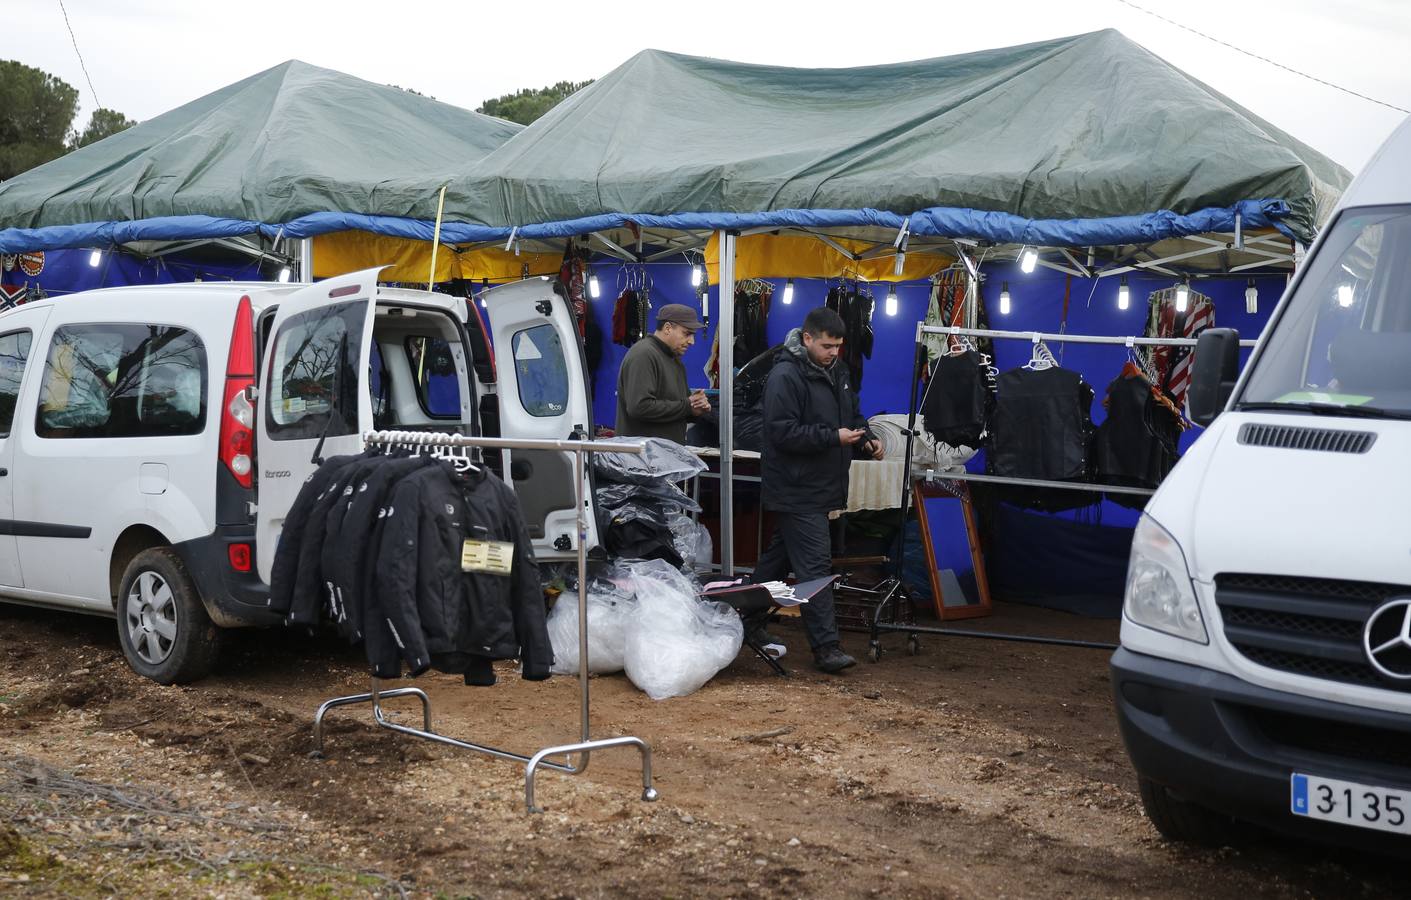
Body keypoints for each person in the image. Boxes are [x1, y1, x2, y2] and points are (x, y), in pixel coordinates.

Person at [754, 307, 881, 673]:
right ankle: (826, 648)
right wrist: (834, 438)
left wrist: (865, 439)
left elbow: (852, 416)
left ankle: (741, 619)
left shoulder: (838, 372)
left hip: (818, 487)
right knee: (814, 568)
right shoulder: (784, 375)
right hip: (796, 489)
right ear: (806, 338)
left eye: (838, 346)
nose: (834, 352)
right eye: (827, 345)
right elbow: (781, 432)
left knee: (776, 563)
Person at [615, 303, 710, 443]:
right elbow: (639, 407)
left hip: (665, 457)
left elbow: (678, 408)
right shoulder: (643, 355)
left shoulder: (675, 360)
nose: (692, 341)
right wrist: (686, 405)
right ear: (667, 328)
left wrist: (695, 408)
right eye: (687, 333)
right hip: (643, 460)